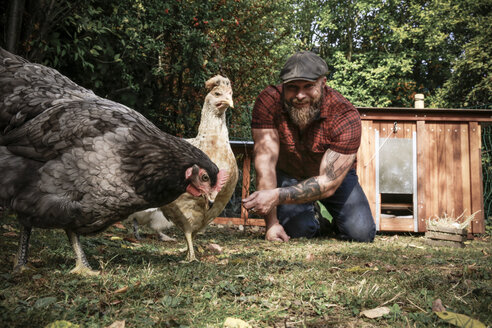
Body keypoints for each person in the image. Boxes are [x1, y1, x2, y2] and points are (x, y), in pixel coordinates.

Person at [242, 50, 376, 242]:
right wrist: (271, 224)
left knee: (361, 234)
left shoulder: (345, 115)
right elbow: (265, 164)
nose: (300, 95)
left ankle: (336, 221)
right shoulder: (268, 101)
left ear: (323, 83)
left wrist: (277, 195)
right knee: (299, 231)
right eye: (292, 87)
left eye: (308, 86)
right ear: (283, 86)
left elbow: (329, 182)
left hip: (334, 179)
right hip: (289, 174)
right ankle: (317, 220)